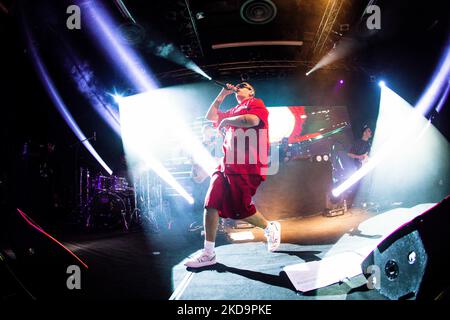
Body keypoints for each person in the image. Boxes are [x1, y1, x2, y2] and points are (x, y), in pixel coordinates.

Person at [184, 82, 281, 268]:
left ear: (251, 91)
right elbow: (211, 116)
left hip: (248, 165)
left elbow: (252, 121)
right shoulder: (233, 109)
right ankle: (208, 253)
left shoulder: (255, 103)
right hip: (226, 163)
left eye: (243, 86)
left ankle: (269, 227)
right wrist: (222, 94)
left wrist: (227, 121)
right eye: (237, 86)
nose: (239, 87)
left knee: (240, 209)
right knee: (211, 202)